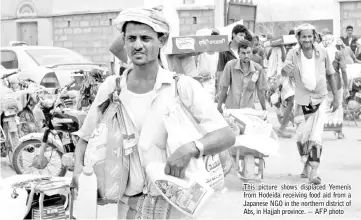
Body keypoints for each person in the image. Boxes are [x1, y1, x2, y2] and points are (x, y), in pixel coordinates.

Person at [73, 7, 236, 219]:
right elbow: (85, 139)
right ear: (124, 41)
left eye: (146, 38)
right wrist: (78, 169)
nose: (138, 45)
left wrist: (191, 148)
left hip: (176, 207)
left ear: (161, 40)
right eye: (131, 38)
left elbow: (227, 135)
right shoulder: (112, 89)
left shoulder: (182, 87)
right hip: (129, 208)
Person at [282, 23, 339, 185]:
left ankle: (314, 170)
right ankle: (305, 163)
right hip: (301, 100)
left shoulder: (322, 52)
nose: (307, 39)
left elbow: (330, 74)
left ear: (314, 37)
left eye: (310, 36)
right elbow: (284, 72)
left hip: (320, 99)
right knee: (301, 136)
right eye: (304, 36)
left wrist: (336, 97)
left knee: (315, 135)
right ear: (298, 38)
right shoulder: (293, 53)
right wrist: (285, 69)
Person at [217, 40, 267, 113]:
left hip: (249, 110)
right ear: (238, 54)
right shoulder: (230, 66)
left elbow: (260, 91)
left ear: (251, 52)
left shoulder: (258, 69)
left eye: (248, 52)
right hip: (231, 109)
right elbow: (224, 87)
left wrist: (264, 110)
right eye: (243, 53)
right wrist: (219, 105)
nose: (246, 55)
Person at [215, 24, 253, 100]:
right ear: (234, 34)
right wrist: (219, 90)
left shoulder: (245, 50)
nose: (242, 38)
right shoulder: (224, 50)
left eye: (244, 36)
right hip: (229, 86)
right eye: (240, 35)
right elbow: (220, 71)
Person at [322, 34, 348, 139]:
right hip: (336, 84)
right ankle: (339, 132)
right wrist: (346, 86)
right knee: (338, 106)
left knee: (324, 106)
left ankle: (321, 128)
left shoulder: (321, 54)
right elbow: (344, 70)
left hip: (323, 84)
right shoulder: (339, 54)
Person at [197, 29, 220, 101]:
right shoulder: (200, 53)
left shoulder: (218, 55)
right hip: (199, 83)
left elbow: (218, 74)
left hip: (211, 85)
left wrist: (218, 90)